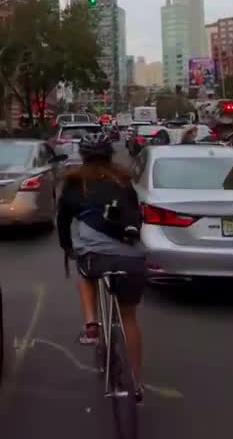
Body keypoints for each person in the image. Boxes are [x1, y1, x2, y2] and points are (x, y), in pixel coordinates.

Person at [56, 134, 146, 403]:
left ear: (83, 157)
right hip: (132, 260)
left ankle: (91, 324)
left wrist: (67, 248)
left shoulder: (74, 184)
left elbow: (63, 222)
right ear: (110, 156)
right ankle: (137, 382)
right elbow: (137, 215)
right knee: (128, 316)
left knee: (85, 273)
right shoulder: (124, 181)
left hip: (95, 257)